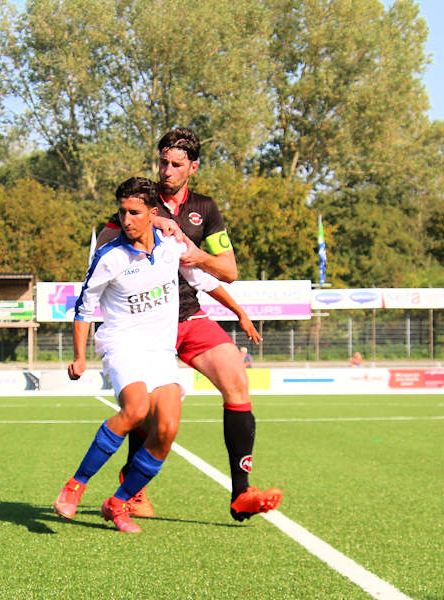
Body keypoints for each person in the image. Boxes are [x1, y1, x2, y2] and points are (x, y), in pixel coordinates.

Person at [97, 128, 281, 522]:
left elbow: (228, 270)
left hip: (189, 314)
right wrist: (146, 232)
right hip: (145, 323)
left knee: (236, 377)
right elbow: (103, 246)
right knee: (149, 409)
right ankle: (132, 490)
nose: (166, 170)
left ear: (192, 167)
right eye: (163, 162)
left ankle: (241, 494)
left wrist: (197, 254)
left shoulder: (205, 209)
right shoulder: (140, 201)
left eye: (176, 164)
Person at [53, 177, 223, 533]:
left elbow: (205, 280)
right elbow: (84, 307)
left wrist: (240, 312)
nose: (126, 219)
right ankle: (75, 485)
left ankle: (118, 503)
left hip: (160, 350)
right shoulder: (109, 256)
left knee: (167, 429)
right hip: (122, 344)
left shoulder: (172, 248)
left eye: (134, 212)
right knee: (136, 409)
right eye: (122, 212)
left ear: (152, 213)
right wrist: (80, 357)